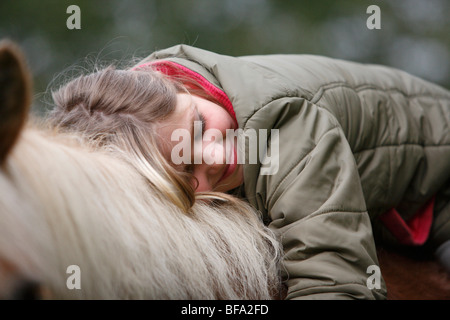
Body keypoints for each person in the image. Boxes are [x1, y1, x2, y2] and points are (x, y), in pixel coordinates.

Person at [49, 44, 450, 300]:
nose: (217, 155)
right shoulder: (185, 111)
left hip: (438, 182)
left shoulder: (282, 124)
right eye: (188, 173)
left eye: (201, 127)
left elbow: (332, 269)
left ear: (184, 86)